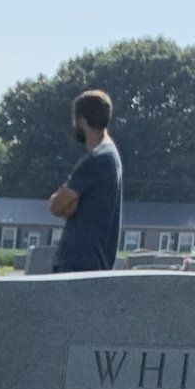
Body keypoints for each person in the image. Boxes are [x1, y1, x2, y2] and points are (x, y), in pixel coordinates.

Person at [48, 88, 122, 272]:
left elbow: (56, 206)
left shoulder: (97, 158)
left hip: (79, 263)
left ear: (82, 121)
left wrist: (66, 204)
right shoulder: (110, 155)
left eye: (75, 120)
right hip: (93, 262)